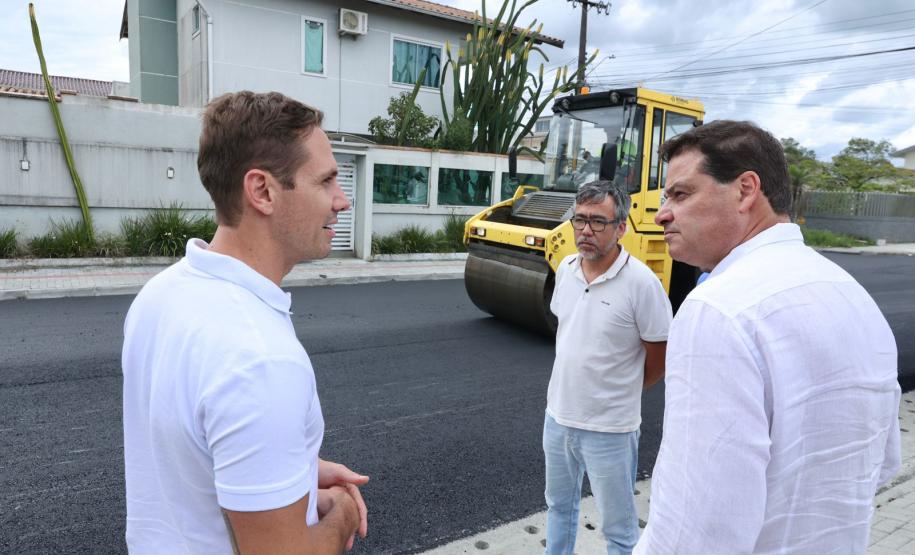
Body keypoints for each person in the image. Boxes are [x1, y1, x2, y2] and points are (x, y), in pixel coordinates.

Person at [635, 120, 901, 554]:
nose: (662, 212)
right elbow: (882, 460)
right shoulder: (853, 296)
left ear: (745, 190)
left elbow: (698, 525)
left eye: (680, 194)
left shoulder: (719, 310)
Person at [122, 91, 368, 554]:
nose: (341, 201)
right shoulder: (261, 359)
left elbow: (186, 452)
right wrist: (343, 516)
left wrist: (294, 471)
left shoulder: (160, 294)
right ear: (262, 191)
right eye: (327, 181)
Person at [544, 181, 672, 555]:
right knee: (558, 508)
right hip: (558, 419)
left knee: (618, 529)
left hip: (610, 429)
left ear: (621, 227)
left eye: (598, 222)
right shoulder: (566, 269)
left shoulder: (642, 284)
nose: (586, 230)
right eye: (579, 220)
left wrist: (624, 390)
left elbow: (660, 354)